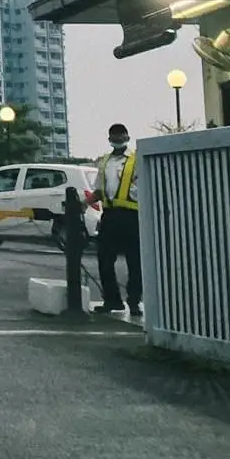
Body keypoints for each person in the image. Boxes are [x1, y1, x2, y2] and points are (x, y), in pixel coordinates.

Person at [89, 123, 142, 318]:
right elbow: (98, 190)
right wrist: (84, 203)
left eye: (121, 136)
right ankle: (112, 300)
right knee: (104, 258)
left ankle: (134, 302)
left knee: (134, 261)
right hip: (110, 215)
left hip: (131, 215)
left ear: (127, 137)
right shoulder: (104, 162)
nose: (118, 140)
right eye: (115, 137)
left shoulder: (136, 160)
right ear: (109, 139)